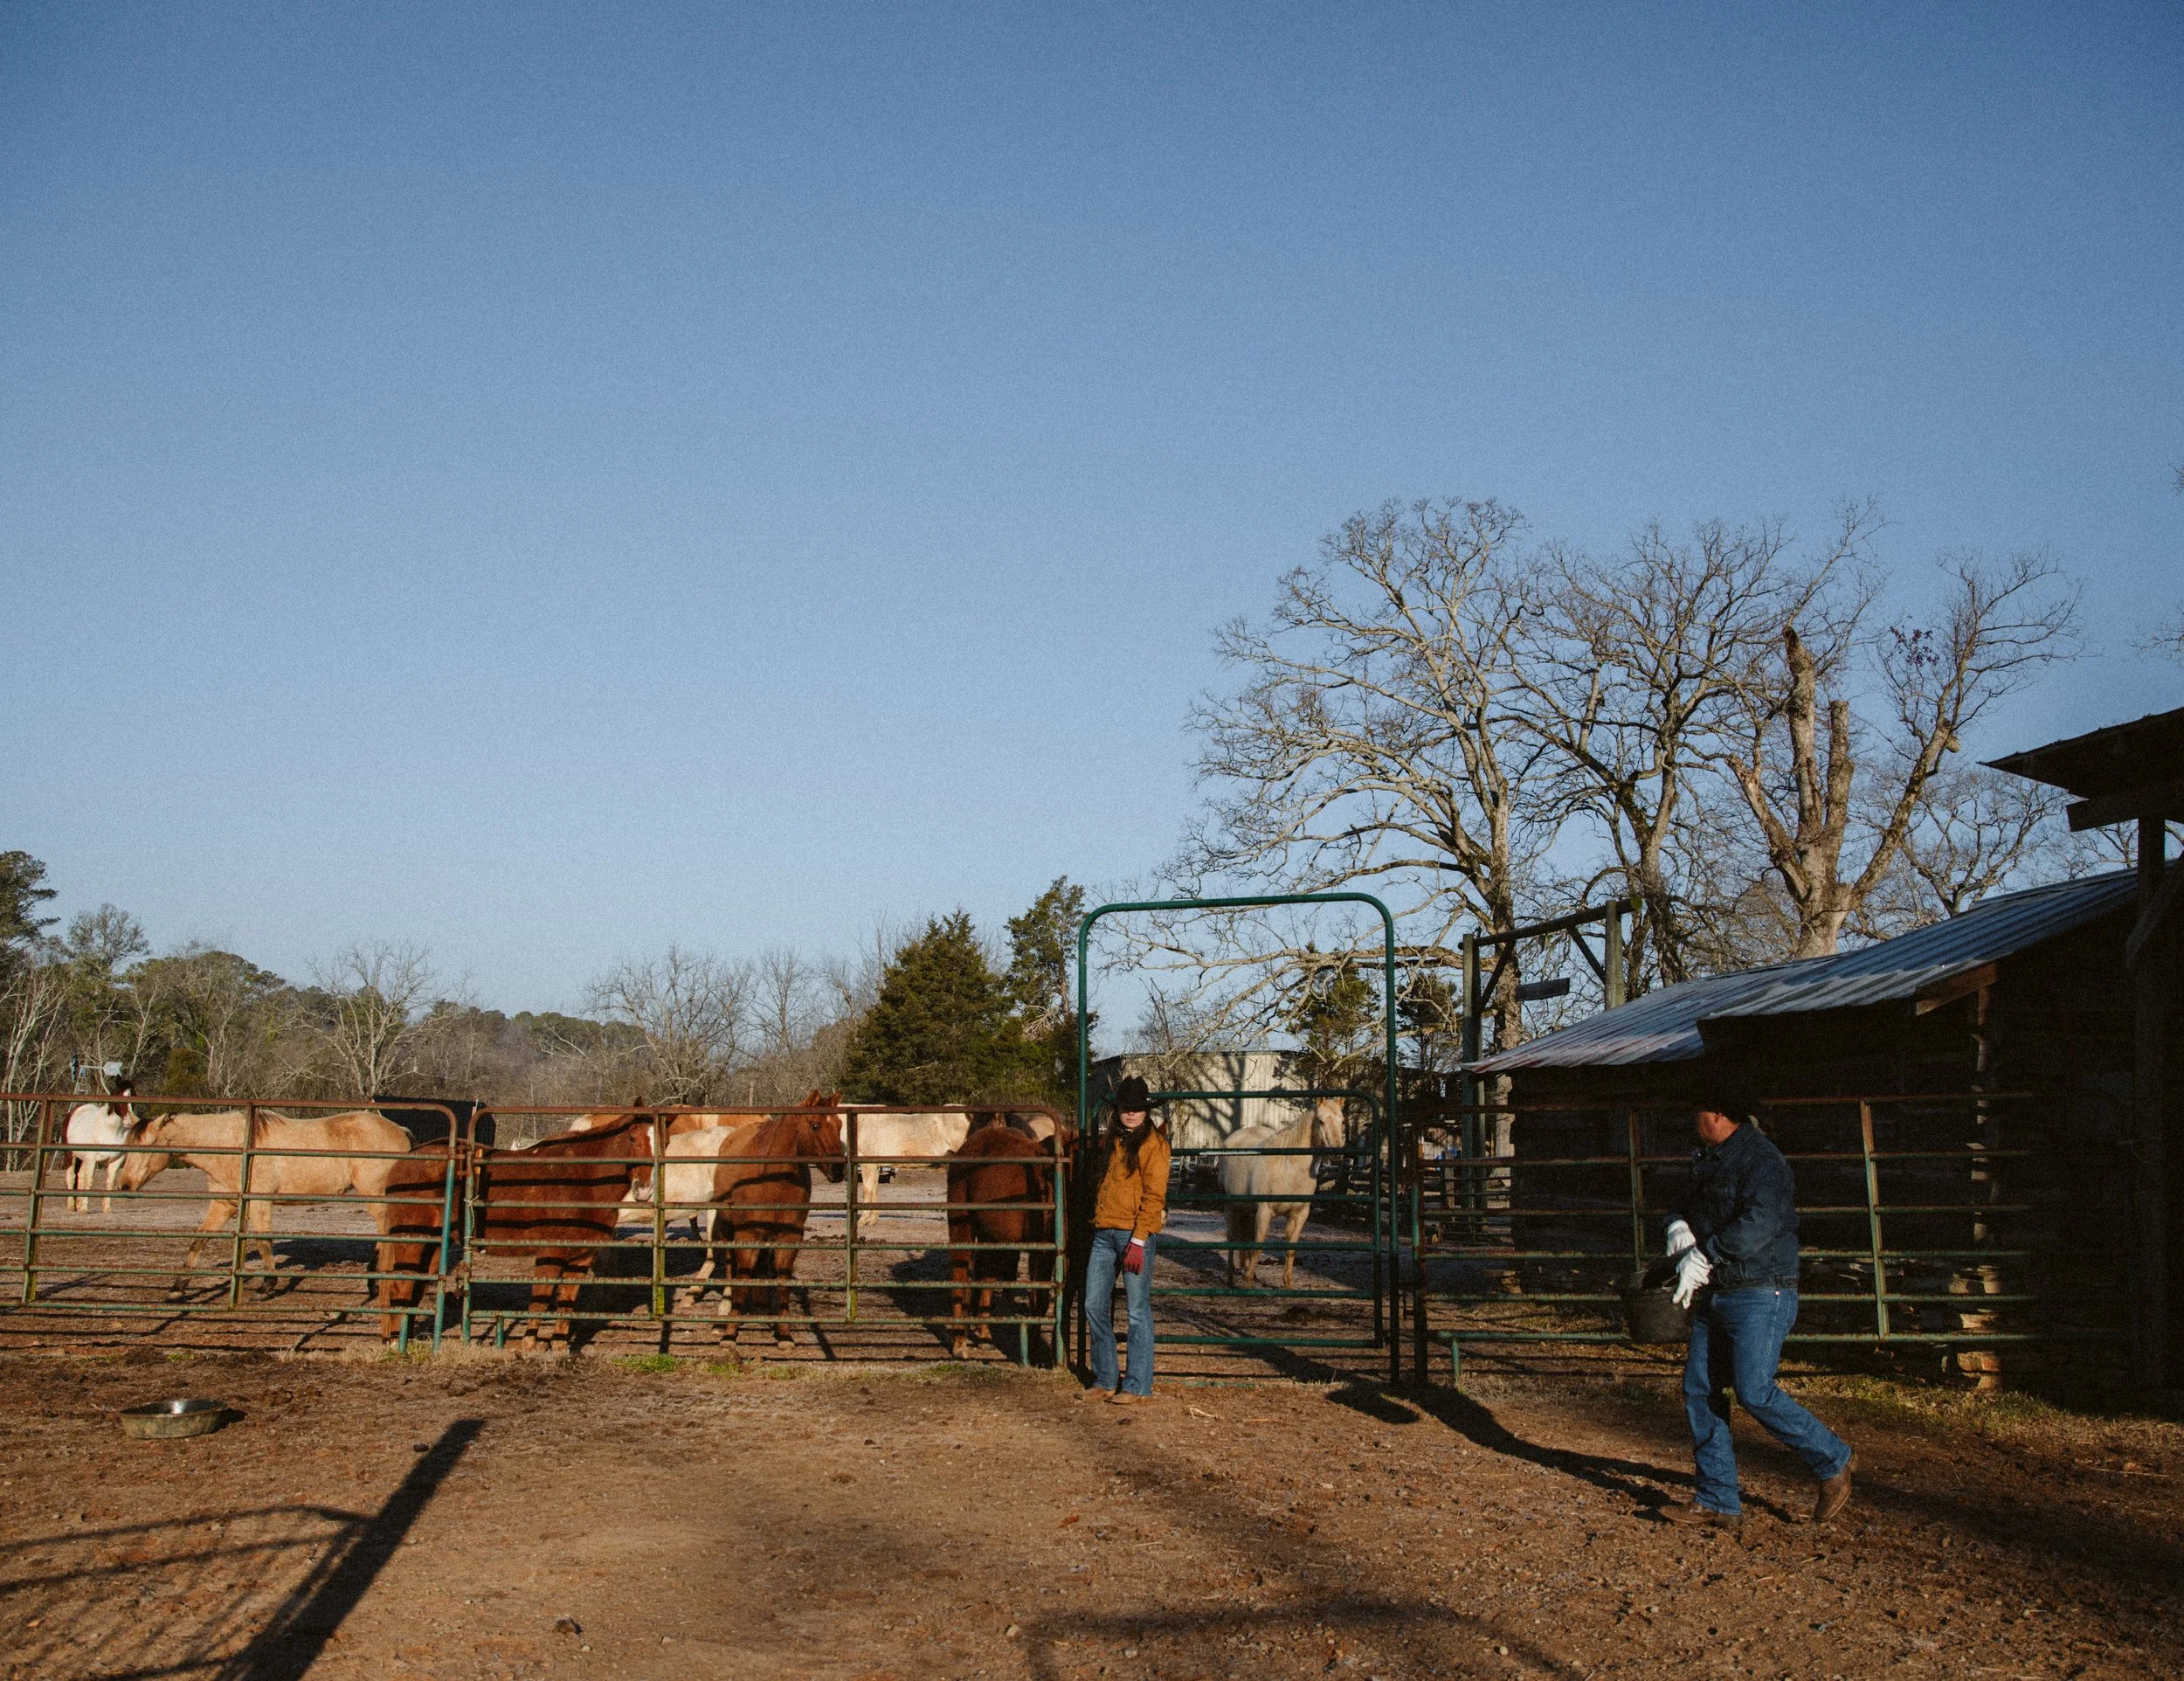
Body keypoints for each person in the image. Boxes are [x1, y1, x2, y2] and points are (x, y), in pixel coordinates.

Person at [1660, 1085, 1855, 1529]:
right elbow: (1682, 1205)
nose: (1694, 1120)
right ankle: (1716, 1499)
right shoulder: (1709, 1161)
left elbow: (1761, 1222)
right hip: (1720, 1289)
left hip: (1760, 1290)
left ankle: (1833, 1460)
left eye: (1698, 1111)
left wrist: (1706, 1253)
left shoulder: (1762, 1161)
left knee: (1753, 1389)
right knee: (1700, 1389)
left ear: (1717, 1116)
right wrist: (1676, 1226)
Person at [1083, 1074, 1170, 1405]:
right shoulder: (1114, 1143)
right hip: (1104, 1232)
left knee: (1137, 1310)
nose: (1131, 1114)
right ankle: (1105, 1378)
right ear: (1118, 1109)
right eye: (1125, 1108)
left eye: (1137, 1108)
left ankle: (1136, 1384)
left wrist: (1139, 1240)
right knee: (1093, 1304)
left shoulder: (1155, 1146)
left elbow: (1154, 1197)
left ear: (1146, 1111)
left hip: (1134, 1234)